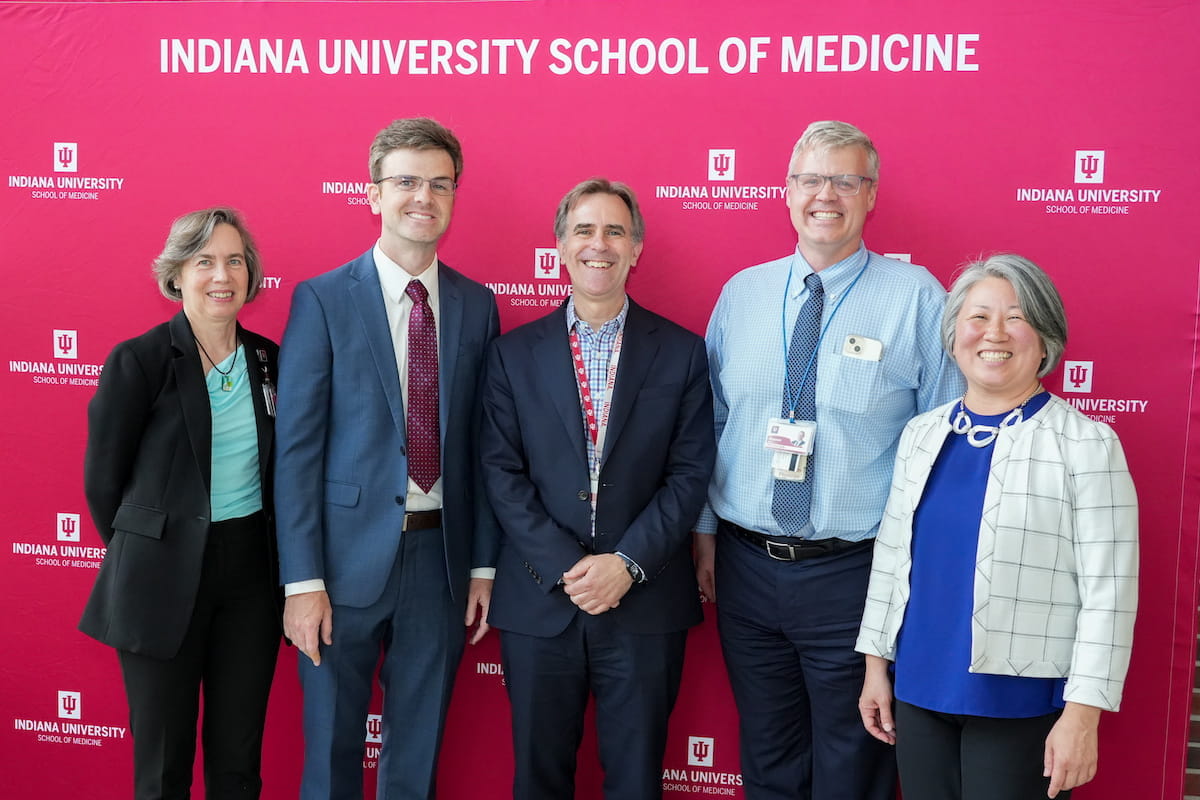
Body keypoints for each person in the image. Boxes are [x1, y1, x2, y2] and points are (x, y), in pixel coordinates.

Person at [693, 120, 964, 800]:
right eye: (812, 179)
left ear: (871, 196)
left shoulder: (917, 299)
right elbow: (714, 423)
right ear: (786, 192)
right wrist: (702, 532)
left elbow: (944, 445)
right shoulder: (741, 295)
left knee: (853, 767)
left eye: (846, 180)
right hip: (745, 566)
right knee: (768, 757)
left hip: (855, 575)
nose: (827, 195)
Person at [273, 117, 499, 800]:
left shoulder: (477, 305)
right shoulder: (321, 299)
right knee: (332, 749)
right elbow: (297, 451)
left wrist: (483, 565)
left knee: (416, 751)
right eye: (405, 181)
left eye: (439, 183)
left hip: (440, 563)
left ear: (455, 196)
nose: (422, 196)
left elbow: (485, 448)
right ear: (373, 194)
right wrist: (302, 581)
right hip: (340, 566)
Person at [856, 254, 1138, 800]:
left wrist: (1084, 716)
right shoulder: (921, 433)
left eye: (1016, 317)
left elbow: (1111, 595)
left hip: (1022, 701)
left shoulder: (1086, 444)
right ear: (954, 332)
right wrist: (874, 667)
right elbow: (890, 558)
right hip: (919, 688)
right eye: (978, 317)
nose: (995, 334)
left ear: (1046, 335)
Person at [481, 178, 716, 799]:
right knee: (539, 778)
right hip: (540, 603)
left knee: (636, 781)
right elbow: (501, 473)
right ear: (560, 245)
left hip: (645, 603)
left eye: (615, 230)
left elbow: (690, 474)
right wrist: (568, 567)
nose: (599, 244)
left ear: (636, 248)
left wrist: (626, 565)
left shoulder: (684, 354)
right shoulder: (511, 355)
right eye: (584, 230)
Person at [79, 207, 282, 799]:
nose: (223, 275)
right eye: (205, 261)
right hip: (158, 576)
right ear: (177, 275)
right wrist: (147, 549)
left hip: (249, 574)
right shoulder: (138, 361)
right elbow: (103, 483)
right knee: (163, 766)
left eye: (235, 261)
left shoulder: (269, 358)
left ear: (250, 275)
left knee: (238, 760)